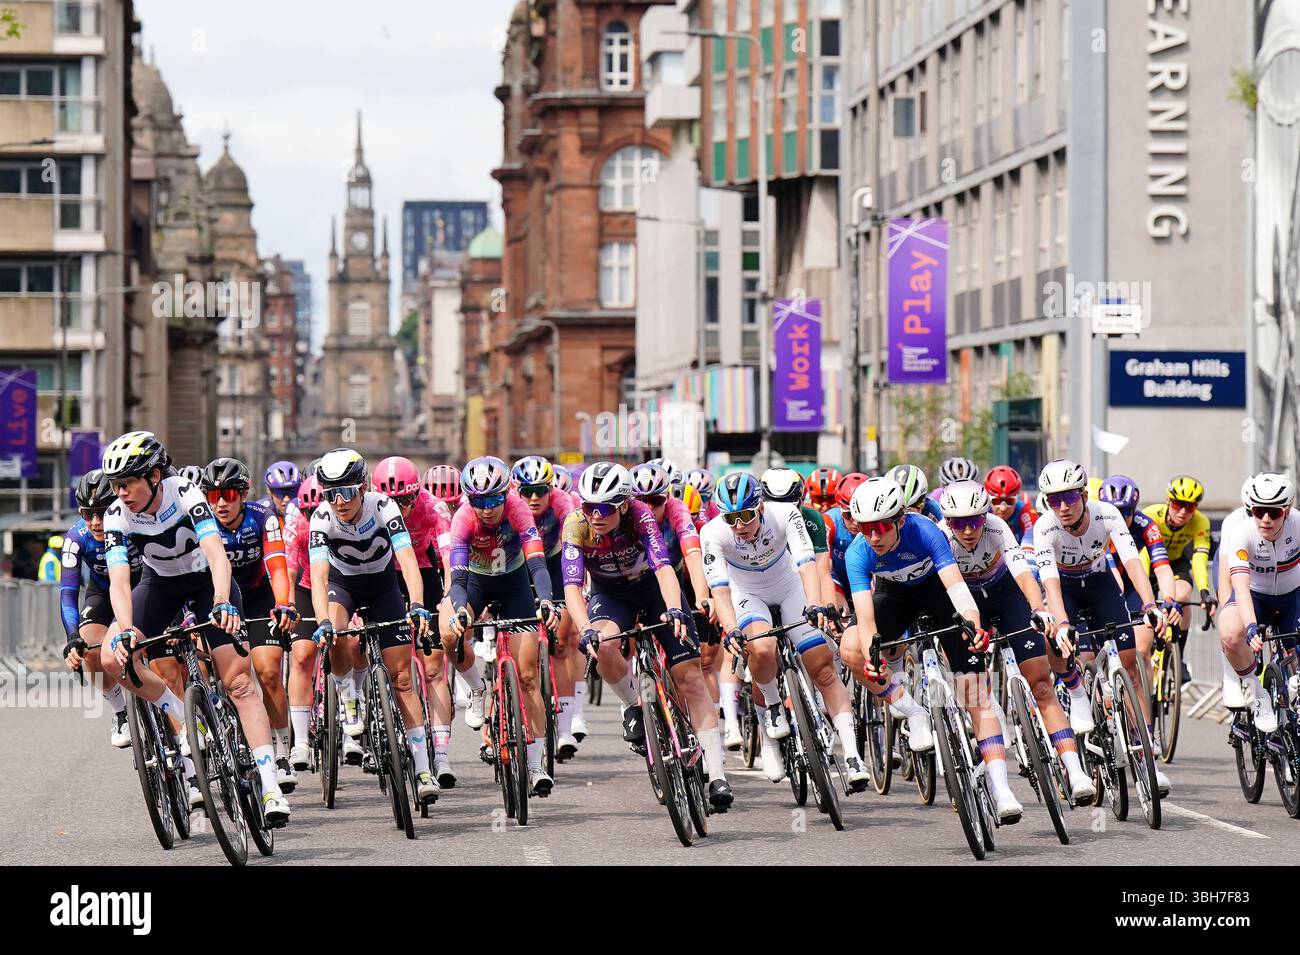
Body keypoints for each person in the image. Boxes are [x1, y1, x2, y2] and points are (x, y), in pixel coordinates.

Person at [96, 431, 289, 824]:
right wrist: (128, 629)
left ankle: (270, 785)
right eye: (116, 486)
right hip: (159, 585)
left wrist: (221, 601)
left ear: (153, 476)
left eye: (128, 483)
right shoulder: (117, 513)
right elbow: (119, 580)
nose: (121, 493)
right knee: (111, 658)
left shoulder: (184, 493)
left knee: (239, 682)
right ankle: (184, 718)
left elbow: (218, 555)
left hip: (207, 583)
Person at [838, 477, 1024, 822]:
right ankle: (915, 711)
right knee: (851, 649)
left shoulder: (925, 532)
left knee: (974, 694)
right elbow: (865, 620)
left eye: (880, 527)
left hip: (938, 593)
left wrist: (973, 624)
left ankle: (1002, 790)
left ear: (899, 520)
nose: (874, 537)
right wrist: (874, 660)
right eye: (865, 528)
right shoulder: (857, 552)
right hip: (895, 599)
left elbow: (956, 587)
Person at [565, 462, 732, 808]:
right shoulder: (575, 525)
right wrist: (584, 630)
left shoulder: (641, 516)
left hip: (654, 589)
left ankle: (717, 775)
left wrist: (674, 609)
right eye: (589, 507)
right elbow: (572, 588)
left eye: (605, 508)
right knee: (604, 646)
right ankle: (633, 707)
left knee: (689, 678)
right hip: (611, 596)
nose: (596, 516)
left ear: (624, 504)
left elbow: (665, 568)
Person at [705, 472, 869, 790]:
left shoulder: (786, 515)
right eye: (731, 518)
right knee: (762, 649)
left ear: (761, 508)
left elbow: (807, 565)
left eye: (745, 516)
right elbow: (720, 589)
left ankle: (851, 755)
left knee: (822, 668)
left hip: (789, 586)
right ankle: (773, 709)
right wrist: (731, 629)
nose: (738, 525)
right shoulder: (713, 532)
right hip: (747, 594)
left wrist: (815, 605)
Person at [938, 480, 1096, 803]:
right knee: (973, 692)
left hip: (1006, 594)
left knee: (1040, 685)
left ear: (985, 516)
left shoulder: (997, 528)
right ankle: (1001, 789)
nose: (967, 530)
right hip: (967, 602)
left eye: (975, 521)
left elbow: (1023, 573)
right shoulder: (940, 536)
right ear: (947, 521)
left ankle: (1075, 770)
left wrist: (1038, 609)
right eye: (958, 523)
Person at [308, 448, 438, 803]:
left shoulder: (384, 507)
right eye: (330, 494)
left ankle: (424, 767)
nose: (339, 502)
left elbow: (408, 561)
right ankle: (349, 697)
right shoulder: (321, 518)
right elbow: (318, 578)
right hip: (343, 585)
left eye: (346, 492)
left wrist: (417, 605)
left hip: (383, 586)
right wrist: (322, 622)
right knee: (334, 634)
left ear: (362, 487)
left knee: (402, 678)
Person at [443, 455, 561, 796]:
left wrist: (546, 599)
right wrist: (463, 610)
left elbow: (537, 562)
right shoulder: (463, 520)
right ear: (469, 500)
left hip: (513, 583)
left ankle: (537, 763)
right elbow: (459, 577)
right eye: (479, 501)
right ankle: (477, 688)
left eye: (494, 499)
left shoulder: (518, 510)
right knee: (449, 633)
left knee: (527, 677)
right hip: (477, 584)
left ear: (506, 494)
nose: (487, 508)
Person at [1032, 460, 1170, 748]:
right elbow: (1050, 584)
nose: (1063, 507)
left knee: (1130, 670)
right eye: (1054, 500)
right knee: (1053, 640)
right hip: (1065, 590)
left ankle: (1144, 739)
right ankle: (1077, 692)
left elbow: (1133, 563)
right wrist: (1063, 625)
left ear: (1084, 495)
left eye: (1069, 497)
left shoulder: (1106, 514)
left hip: (1100, 584)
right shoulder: (1045, 526)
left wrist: (1149, 605)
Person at [201, 457, 299, 791]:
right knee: (205, 667)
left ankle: (283, 749)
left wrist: (284, 603)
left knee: (268, 671)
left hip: (257, 597)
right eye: (213, 496)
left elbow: (276, 565)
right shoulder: (201, 523)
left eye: (228, 494)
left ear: (243, 494)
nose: (221, 503)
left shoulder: (263, 518)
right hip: (218, 599)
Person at [59, 469, 143, 747]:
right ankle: (121, 712)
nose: (96, 522)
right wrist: (72, 638)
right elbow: (68, 593)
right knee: (90, 651)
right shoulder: (76, 537)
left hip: (145, 587)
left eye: (103, 512)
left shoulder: (135, 524)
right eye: (87, 513)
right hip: (104, 593)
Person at [1217, 472, 1299, 734]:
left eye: (1273, 513)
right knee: (1230, 631)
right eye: (1258, 511)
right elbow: (1239, 586)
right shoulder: (1240, 531)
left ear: (1287, 510)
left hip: (1292, 594)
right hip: (1255, 596)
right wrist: (1251, 626)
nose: (1265, 519)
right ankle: (1257, 691)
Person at [514, 454, 585, 756]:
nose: (533, 497)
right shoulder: (511, 506)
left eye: (540, 490)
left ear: (550, 489)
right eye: (526, 491)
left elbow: (575, 546)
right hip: (519, 564)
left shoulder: (564, 504)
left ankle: (566, 728)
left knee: (560, 643)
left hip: (556, 564)